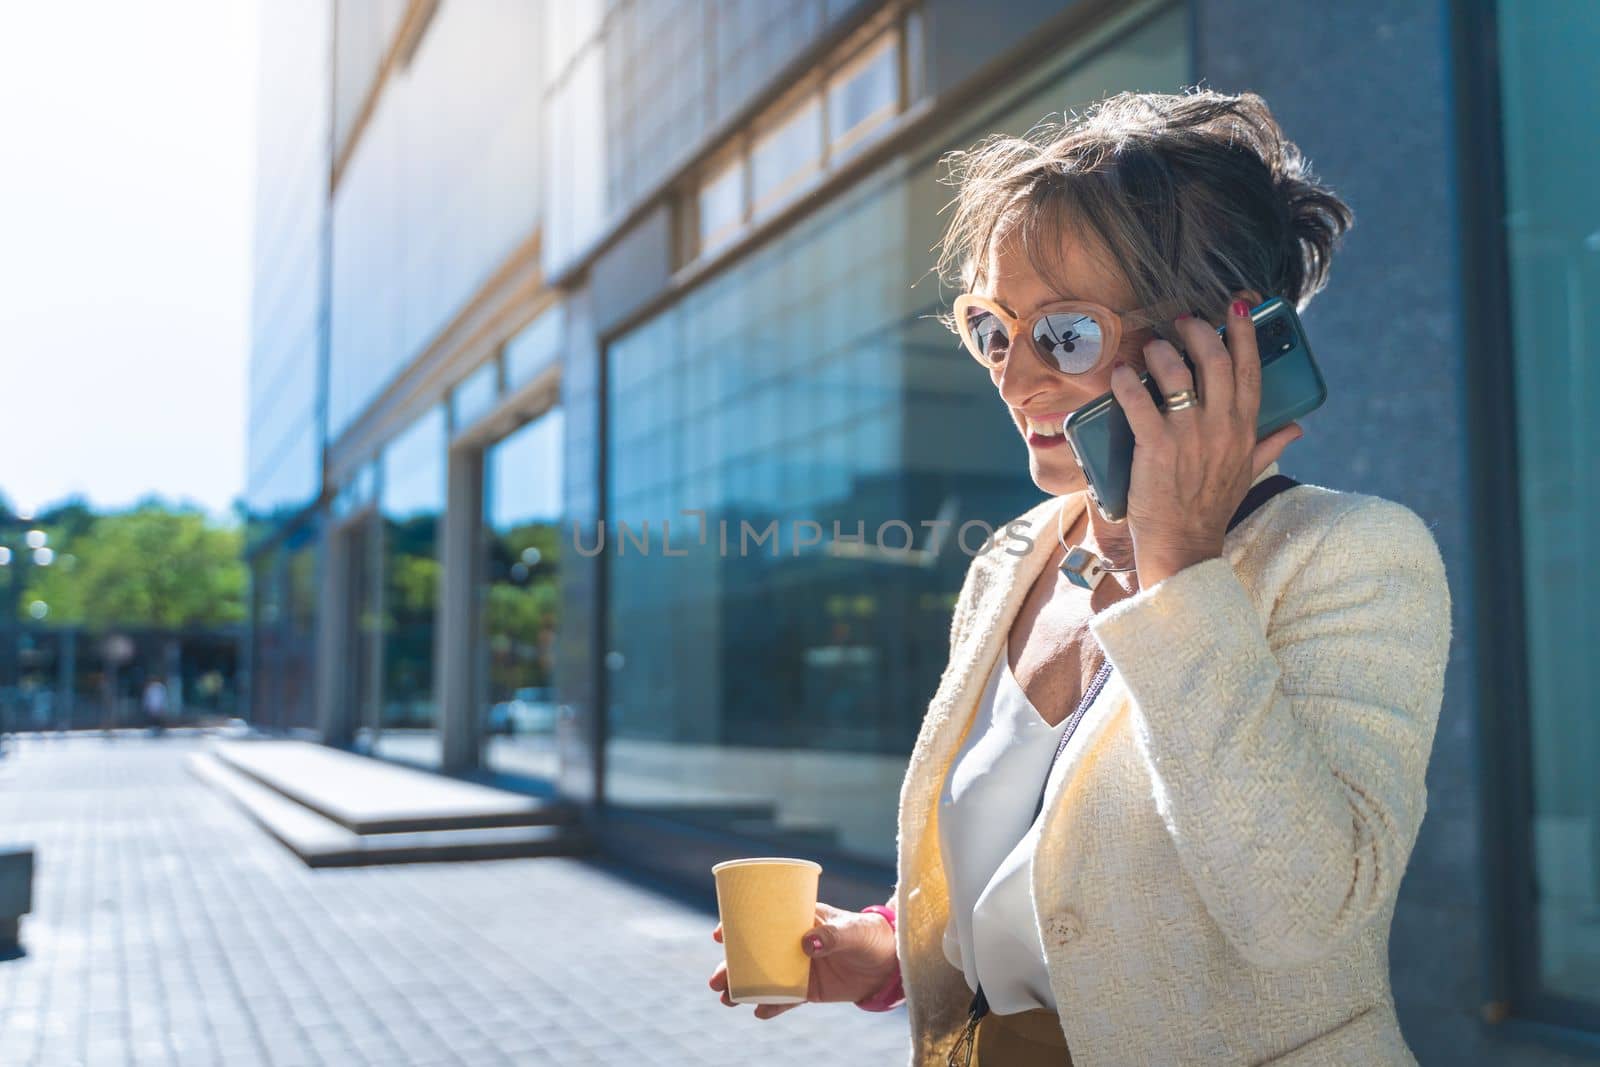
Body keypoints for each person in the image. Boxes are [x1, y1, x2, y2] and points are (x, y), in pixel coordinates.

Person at [708, 88, 1451, 1064]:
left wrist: (1177, 564)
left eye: (1062, 333)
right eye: (992, 330)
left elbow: (1300, 913)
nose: (1015, 379)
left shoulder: (1353, 554)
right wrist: (892, 947)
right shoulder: (1012, 556)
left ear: (1219, 340)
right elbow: (1040, 860)